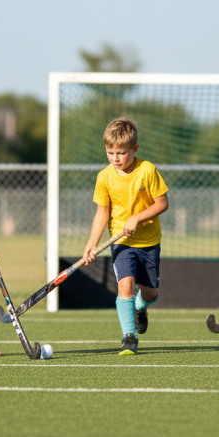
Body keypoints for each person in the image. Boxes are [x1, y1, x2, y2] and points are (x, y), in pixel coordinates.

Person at [81, 117, 169, 355]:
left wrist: (137, 218)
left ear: (135, 149)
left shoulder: (147, 170)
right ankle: (129, 337)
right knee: (125, 286)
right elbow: (102, 213)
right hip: (121, 242)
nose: (115, 158)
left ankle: (140, 308)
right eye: (110, 152)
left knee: (150, 293)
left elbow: (162, 203)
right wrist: (92, 243)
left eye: (121, 152)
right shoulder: (104, 177)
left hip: (149, 241)